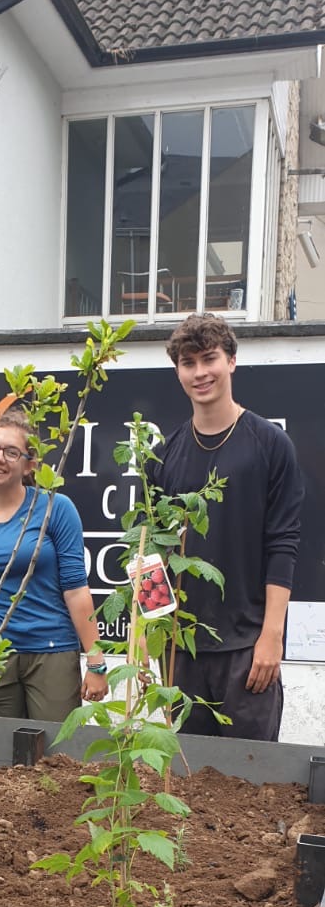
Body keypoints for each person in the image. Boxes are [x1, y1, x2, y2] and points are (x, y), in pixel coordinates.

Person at [150, 313, 303, 740]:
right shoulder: (164, 455)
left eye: (209, 359)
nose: (200, 373)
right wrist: (153, 641)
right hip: (181, 653)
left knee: (251, 792)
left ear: (231, 361)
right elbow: (151, 549)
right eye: (188, 362)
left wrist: (272, 637)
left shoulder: (271, 445)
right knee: (182, 788)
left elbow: (283, 545)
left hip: (248, 651)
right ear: (178, 371)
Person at [0, 397, 108, 720]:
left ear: (29, 464)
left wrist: (96, 662)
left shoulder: (55, 508)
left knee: (56, 759)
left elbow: (76, 590)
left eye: (11, 452)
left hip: (50, 653)